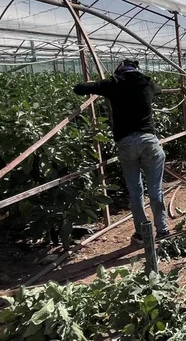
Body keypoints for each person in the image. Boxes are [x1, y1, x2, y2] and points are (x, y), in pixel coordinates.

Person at [73, 59, 169, 245]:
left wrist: (101, 85)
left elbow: (79, 88)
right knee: (156, 190)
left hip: (126, 143)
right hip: (149, 141)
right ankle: (163, 231)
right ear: (137, 70)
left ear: (120, 71)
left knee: (135, 191)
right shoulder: (147, 83)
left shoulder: (113, 84)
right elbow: (159, 90)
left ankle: (142, 234)